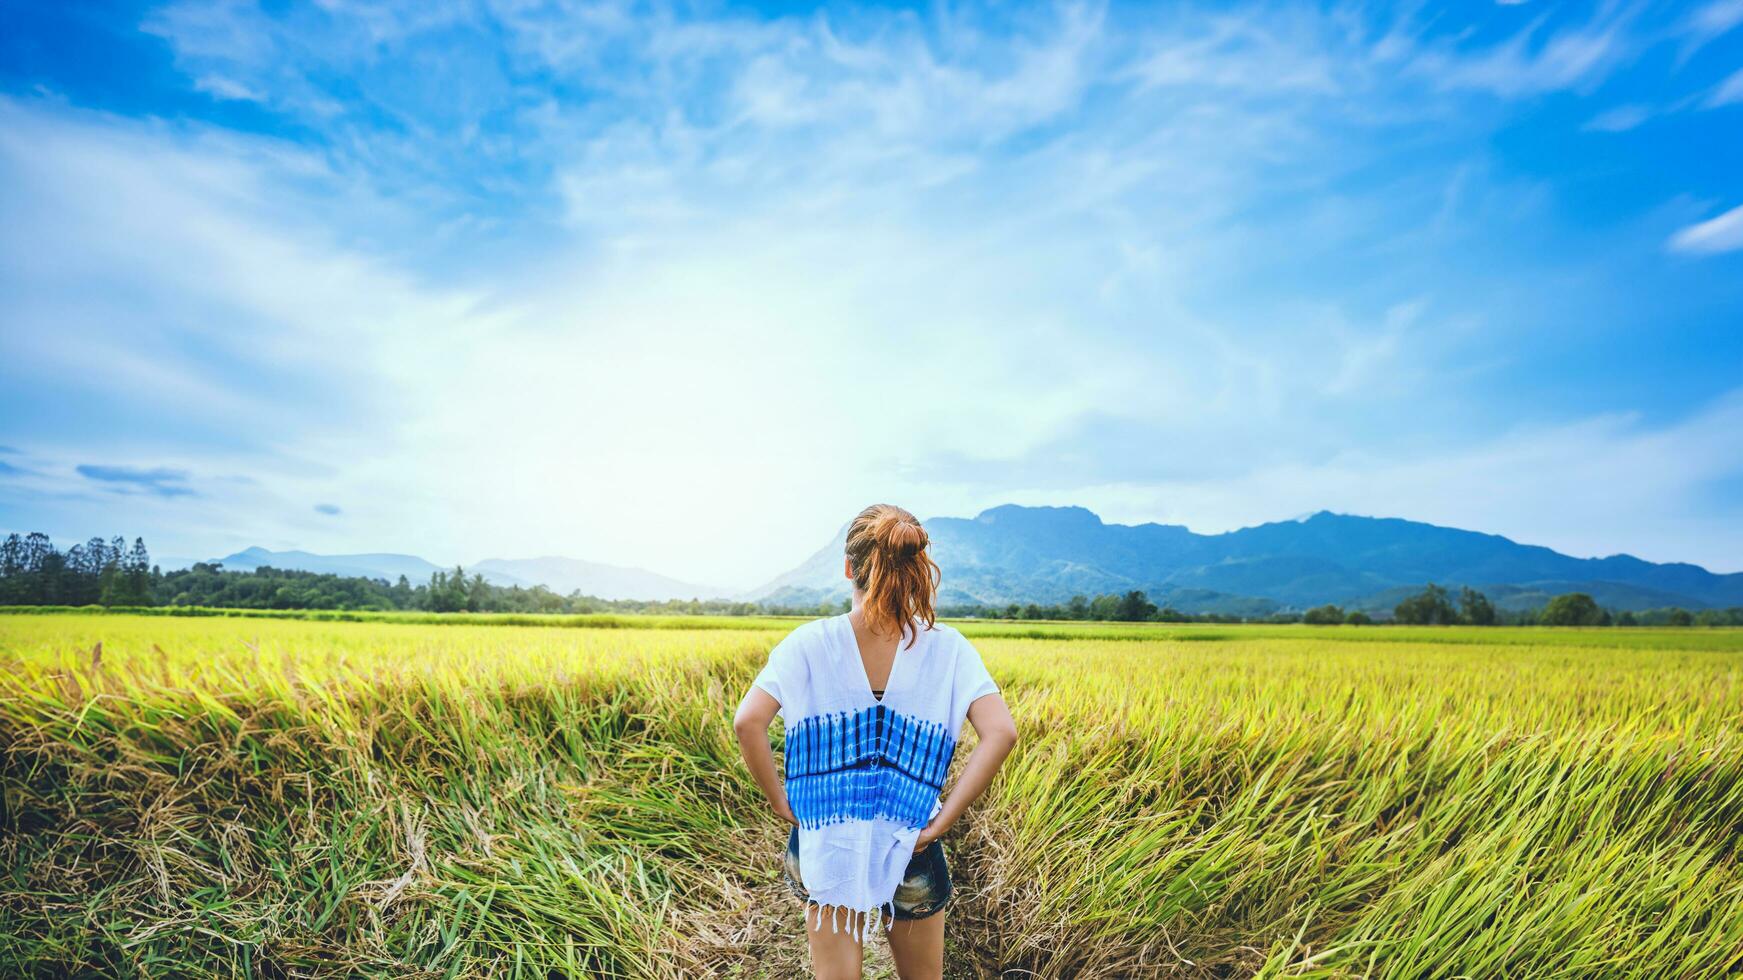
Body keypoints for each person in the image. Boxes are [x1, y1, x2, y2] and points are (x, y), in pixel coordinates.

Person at [734, 504, 1019, 980]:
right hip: (910, 837)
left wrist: (781, 801)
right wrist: (940, 824)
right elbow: (1001, 733)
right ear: (915, 567)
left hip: (827, 832)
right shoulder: (947, 648)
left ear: (849, 567)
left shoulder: (809, 643)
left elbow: (748, 722)